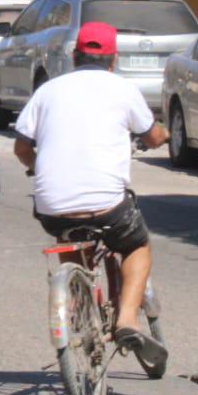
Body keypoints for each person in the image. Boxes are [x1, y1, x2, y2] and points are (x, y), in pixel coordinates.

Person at [13, 21, 170, 373]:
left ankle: (82, 303)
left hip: (53, 205)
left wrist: (36, 168)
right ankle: (127, 318)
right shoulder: (123, 89)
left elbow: (22, 146)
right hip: (107, 206)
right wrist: (164, 134)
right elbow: (153, 136)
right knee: (136, 246)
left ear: (74, 57)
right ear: (113, 60)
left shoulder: (48, 91)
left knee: (71, 233)